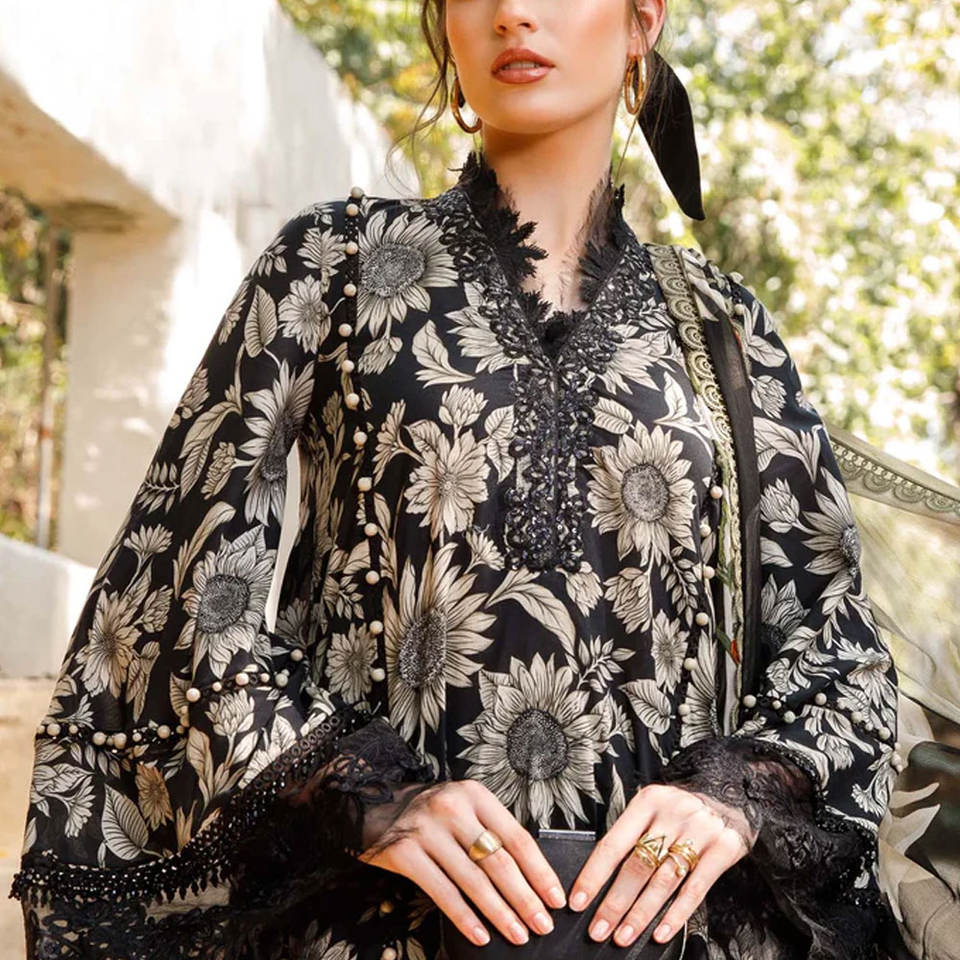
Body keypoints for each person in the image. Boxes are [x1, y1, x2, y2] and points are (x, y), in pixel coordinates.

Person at [11, 1, 901, 958]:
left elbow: (835, 647)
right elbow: (175, 593)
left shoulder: (725, 327)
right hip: (374, 934)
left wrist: (736, 793)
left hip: (674, 939)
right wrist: (358, 787)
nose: (512, 13)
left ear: (641, 22)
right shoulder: (335, 266)